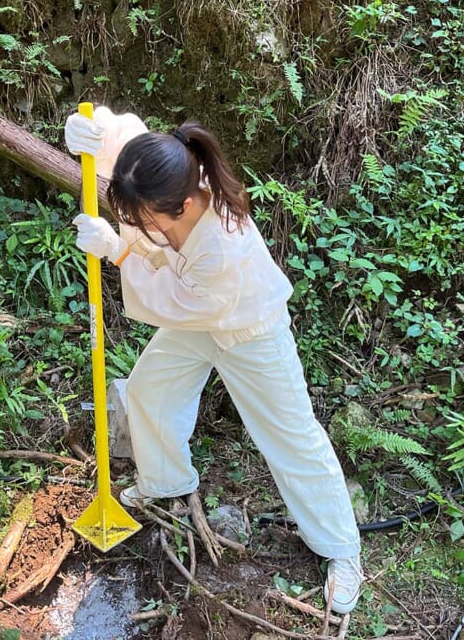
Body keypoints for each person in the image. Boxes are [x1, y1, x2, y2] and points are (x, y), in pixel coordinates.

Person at [64, 107, 364, 613]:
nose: (136, 223)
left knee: (291, 436)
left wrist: (118, 253)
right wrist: (86, 135)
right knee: (149, 390)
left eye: (143, 220)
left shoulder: (222, 247)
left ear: (180, 206)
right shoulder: (165, 168)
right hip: (197, 314)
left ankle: (343, 550)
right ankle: (166, 484)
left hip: (250, 331)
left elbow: (166, 300)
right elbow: (123, 143)